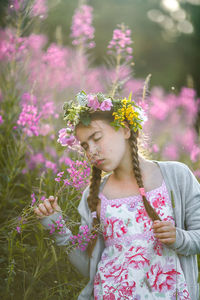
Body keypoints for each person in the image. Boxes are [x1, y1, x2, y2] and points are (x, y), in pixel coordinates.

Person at [34, 91, 200, 300]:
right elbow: (90, 269)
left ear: (125, 130)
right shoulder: (93, 196)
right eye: (85, 146)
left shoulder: (177, 175)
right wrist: (58, 228)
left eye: (96, 138)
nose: (91, 151)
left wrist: (179, 237)